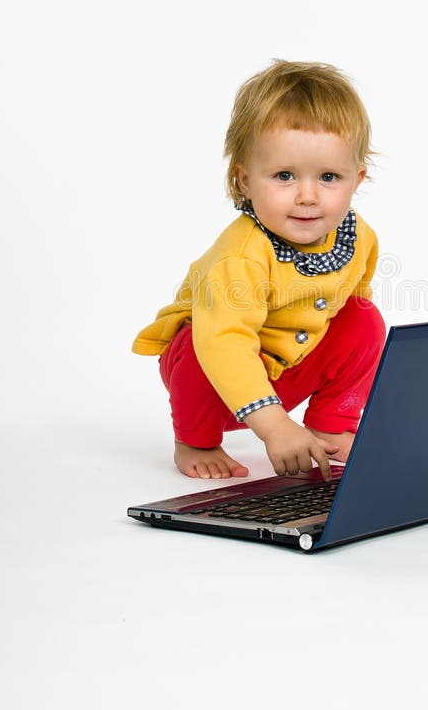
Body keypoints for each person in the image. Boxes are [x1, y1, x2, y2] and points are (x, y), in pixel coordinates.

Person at [132, 60, 386, 481]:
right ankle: (195, 440)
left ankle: (332, 423)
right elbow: (226, 343)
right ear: (245, 180)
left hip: (289, 366)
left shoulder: (359, 237)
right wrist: (275, 427)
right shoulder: (243, 255)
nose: (307, 196)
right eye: (284, 176)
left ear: (356, 179)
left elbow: (348, 313)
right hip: (213, 374)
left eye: (328, 177)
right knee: (200, 343)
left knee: (363, 317)